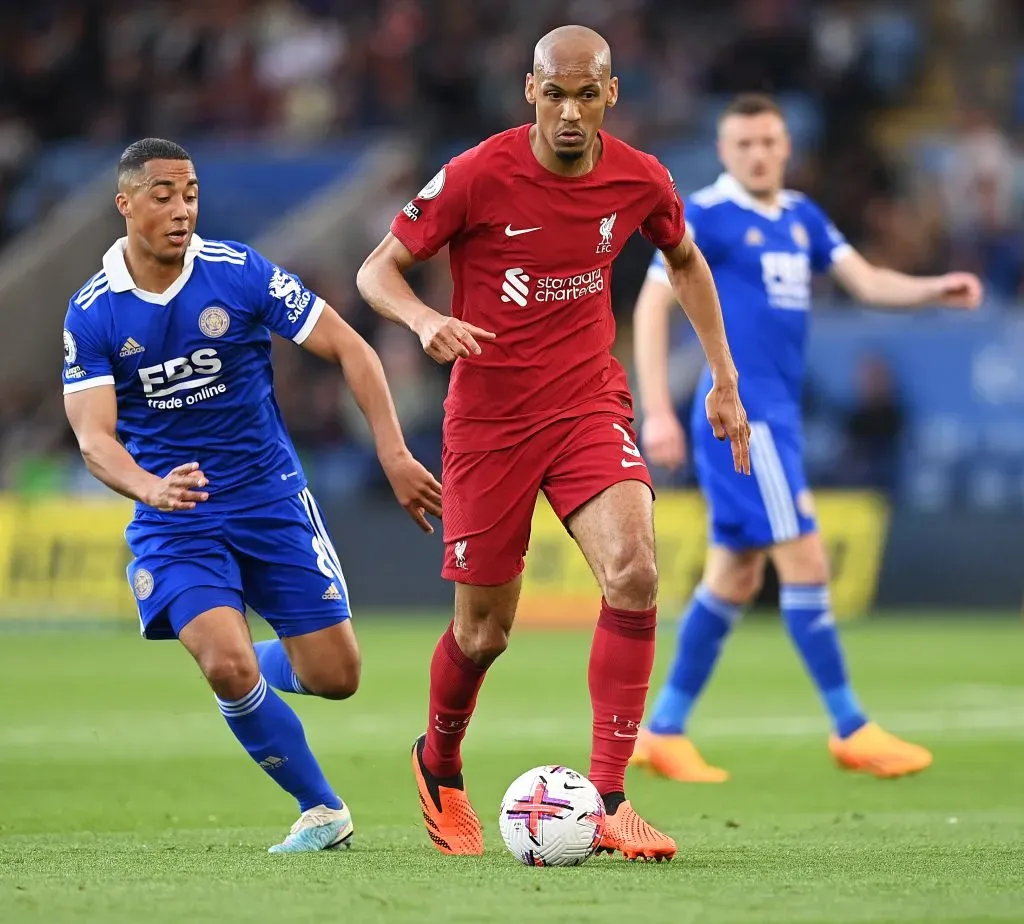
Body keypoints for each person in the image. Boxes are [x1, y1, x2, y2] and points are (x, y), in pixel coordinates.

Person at [356, 26, 750, 861]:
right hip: (490, 422)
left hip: (585, 403)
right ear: (530, 92)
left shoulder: (640, 176)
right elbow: (376, 270)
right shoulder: (476, 174)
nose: (570, 111)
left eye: (587, 93)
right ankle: (439, 761)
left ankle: (608, 798)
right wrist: (425, 318)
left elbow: (684, 260)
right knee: (483, 634)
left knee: (636, 572)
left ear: (611, 94)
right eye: (555, 93)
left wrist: (723, 378)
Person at [62, 138, 441, 852]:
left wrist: (392, 451)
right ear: (126, 205)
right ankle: (320, 807)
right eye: (164, 196)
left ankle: (237, 659)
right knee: (226, 663)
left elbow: (352, 349)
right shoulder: (94, 314)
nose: (182, 210)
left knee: (336, 677)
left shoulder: (238, 272)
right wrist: (151, 488)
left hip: (269, 498)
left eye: (191, 194)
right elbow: (93, 440)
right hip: (176, 518)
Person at [630, 94, 982, 782]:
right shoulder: (705, 214)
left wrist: (936, 288)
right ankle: (850, 725)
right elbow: (650, 304)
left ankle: (665, 729)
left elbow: (868, 281)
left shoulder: (801, 218)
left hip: (778, 420)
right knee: (808, 560)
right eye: (744, 144)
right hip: (743, 420)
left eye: (769, 142)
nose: (758, 154)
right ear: (726, 151)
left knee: (735, 575)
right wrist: (657, 411)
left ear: (786, 147)